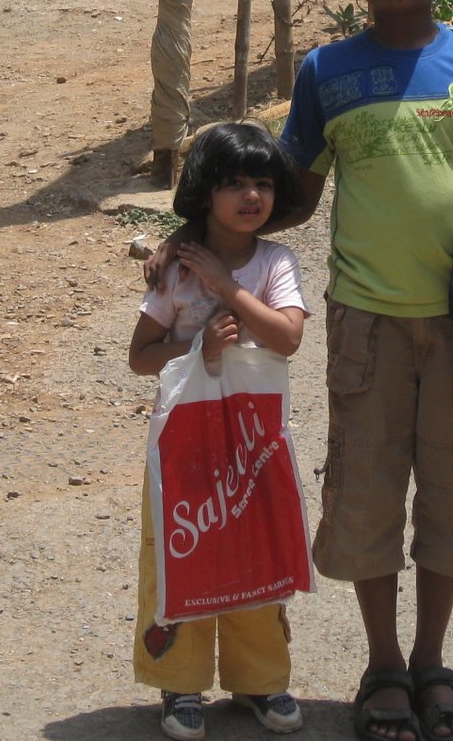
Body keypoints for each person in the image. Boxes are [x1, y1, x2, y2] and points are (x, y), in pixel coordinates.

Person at [146, 0, 453, 741]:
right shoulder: (325, 73)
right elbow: (291, 199)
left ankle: (431, 663)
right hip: (365, 327)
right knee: (368, 494)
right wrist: (188, 237)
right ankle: (381, 666)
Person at [129, 121, 311, 741]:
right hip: (185, 436)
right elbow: (140, 356)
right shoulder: (175, 270)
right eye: (234, 184)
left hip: (255, 441)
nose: (250, 196)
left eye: (262, 183)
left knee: (257, 546)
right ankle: (179, 684)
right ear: (205, 191)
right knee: (181, 547)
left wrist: (228, 287)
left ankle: (260, 680)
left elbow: (287, 338)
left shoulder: (275, 261)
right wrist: (194, 343)